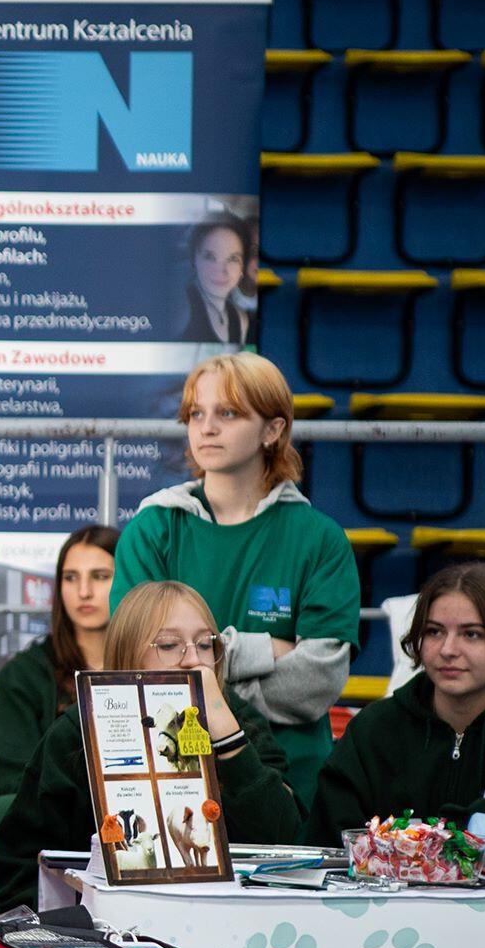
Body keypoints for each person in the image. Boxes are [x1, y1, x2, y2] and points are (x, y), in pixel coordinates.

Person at [110, 352, 357, 805]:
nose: (206, 428)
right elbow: (141, 667)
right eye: (196, 414)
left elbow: (317, 682)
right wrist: (267, 650)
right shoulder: (152, 529)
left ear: (273, 430)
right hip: (171, 771)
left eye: (228, 413)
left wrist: (206, 663)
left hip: (290, 780)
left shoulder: (321, 538)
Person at [0, 580, 307, 912]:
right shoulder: (76, 731)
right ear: (129, 653)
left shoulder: (239, 720)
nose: (193, 660)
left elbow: (285, 844)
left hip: (227, 918)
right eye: (169, 645)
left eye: (205, 644)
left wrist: (228, 739)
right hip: (102, 925)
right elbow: (20, 864)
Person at [304, 563, 485, 846]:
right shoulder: (373, 729)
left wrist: (402, 843)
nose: (448, 650)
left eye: (472, 634)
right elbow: (331, 839)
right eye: (434, 631)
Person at [0, 525, 120, 803]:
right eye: (70, 577)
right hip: (50, 827)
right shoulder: (22, 677)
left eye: (100, 576)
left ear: (128, 579)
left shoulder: (154, 670)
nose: (84, 591)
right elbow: (4, 785)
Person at [180, 215, 254, 345]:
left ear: (243, 266)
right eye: (210, 257)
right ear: (194, 259)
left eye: (233, 259)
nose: (221, 271)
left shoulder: (240, 319)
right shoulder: (180, 306)